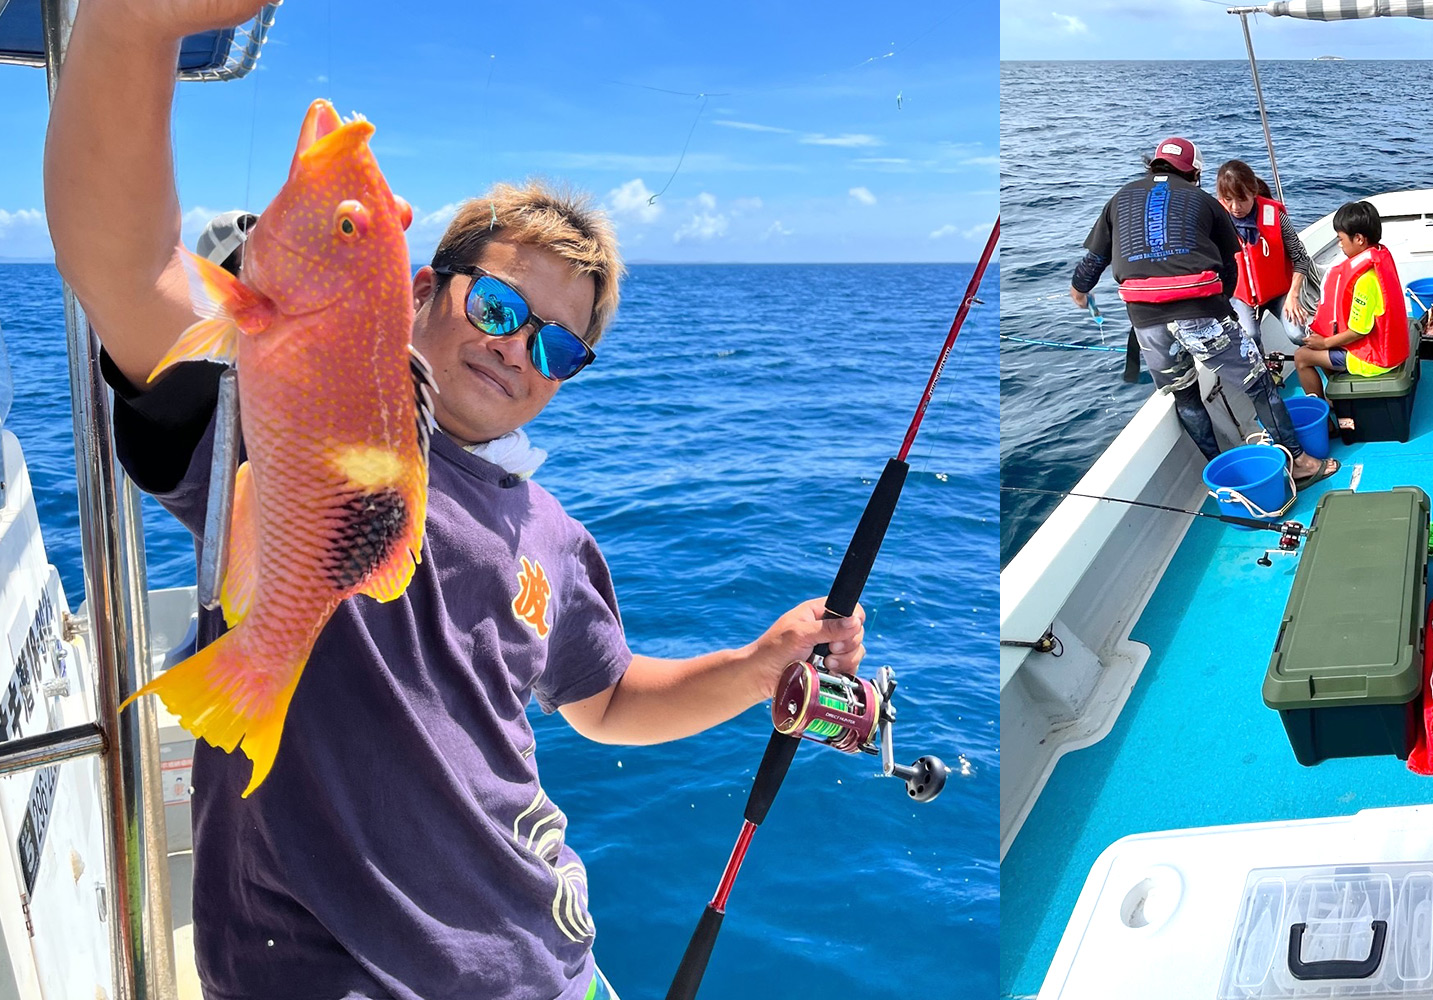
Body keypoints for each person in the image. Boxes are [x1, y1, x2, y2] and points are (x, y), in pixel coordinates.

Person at [43, 2, 866, 998]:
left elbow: (601, 699)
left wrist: (750, 666)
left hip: (545, 951)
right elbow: (123, 264)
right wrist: (136, 29)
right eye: (499, 307)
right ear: (423, 286)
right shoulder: (292, 397)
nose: (517, 347)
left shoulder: (553, 535)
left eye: (556, 345)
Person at [1070, 137, 1331, 485]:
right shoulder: (1204, 202)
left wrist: (1079, 292)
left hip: (1146, 320)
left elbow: (1092, 263)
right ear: (1195, 173)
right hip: (1200, 313)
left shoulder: (1119, 200)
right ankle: (1299, 463)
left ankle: (1223, 474)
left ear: (1152, 165)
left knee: (1186, 395)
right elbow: (1230, 266)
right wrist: (1220, 312)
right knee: (1258, 384)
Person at [1295, 201, 1410, 403]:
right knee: (1320, 343)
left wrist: (1324, 343)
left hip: (1375, 360)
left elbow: (1359, 330)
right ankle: (1338, 394)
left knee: (1302, 356)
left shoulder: (1365, 280)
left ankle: (1325, 417)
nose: (1340, 245)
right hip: (1391, 348)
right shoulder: (1380, 256)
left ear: (1358, 239)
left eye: (1341, 239)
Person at [1214, 159, 1313, 350]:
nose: (1235, 207)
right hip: (1240, 295)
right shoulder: (1216, 218)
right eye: (1228, 200)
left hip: (1280, 292)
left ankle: (1327, 365)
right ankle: (1263, 374)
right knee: (1249, 337)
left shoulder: (1275, 216)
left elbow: (1301, 258)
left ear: (1253, 192)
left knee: (1298, 334)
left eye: (1241, 199)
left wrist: (1293, 295)